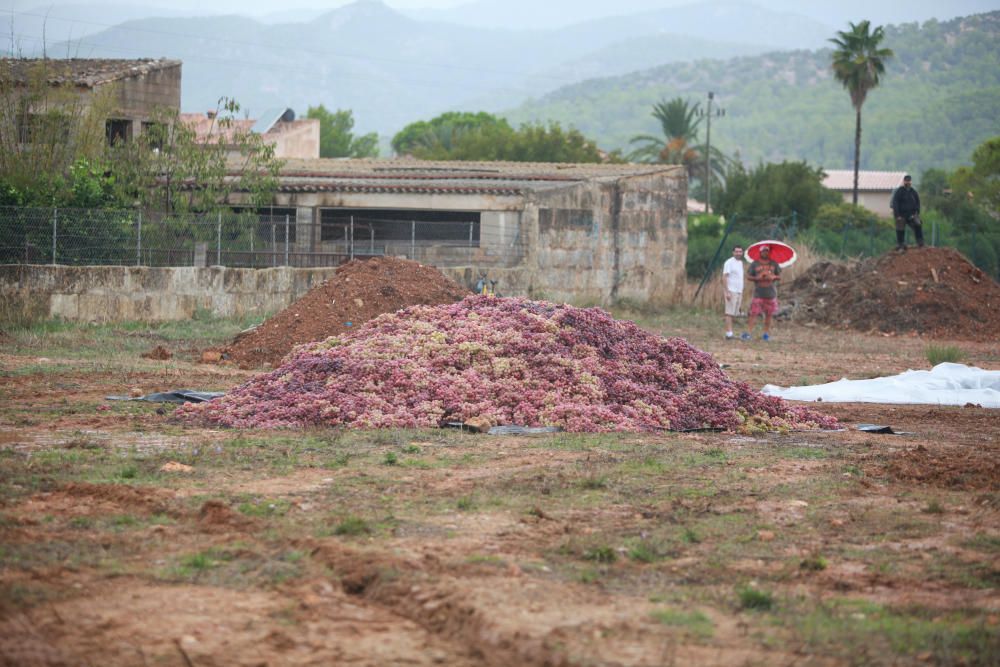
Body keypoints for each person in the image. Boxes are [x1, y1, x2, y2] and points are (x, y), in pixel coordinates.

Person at [741, 245, 781, 342]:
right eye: (763, 251)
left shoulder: (774, 263)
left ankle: (766, 334)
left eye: (767, 251)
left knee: (769, 314)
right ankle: (749, 334)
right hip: (758, 293)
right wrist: (758, 278)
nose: (765, 253)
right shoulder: (755, 264)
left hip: (770, 293)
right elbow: (749, 276)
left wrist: (773, 277)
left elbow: (778, 276)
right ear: (760, 252)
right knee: (753, 314)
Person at [890, 174, 924, 252]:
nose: (908, 182)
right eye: (906, 181)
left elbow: (918, 203)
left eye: (909, 181)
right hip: (901, 215)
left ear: (911, 182)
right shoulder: (899, 191)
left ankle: (920, 242)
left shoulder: (913, 192)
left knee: (918, 224)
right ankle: (901, 244)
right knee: (900, 227)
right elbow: (895, 203)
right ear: (904, 181)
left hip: (911, 215)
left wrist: (916, 213)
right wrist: (897, 215)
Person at [721, 245, 744, 339]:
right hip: (731, 290)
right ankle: (729, 334)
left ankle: (730, 331)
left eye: (740, 251)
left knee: (734, 313)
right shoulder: (729, 262)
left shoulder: (740, 263)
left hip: (739, 291)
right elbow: (724, 277)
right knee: (729, 313)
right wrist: (727, 292)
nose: (738, 253)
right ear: (733, 252)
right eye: (736, 251)